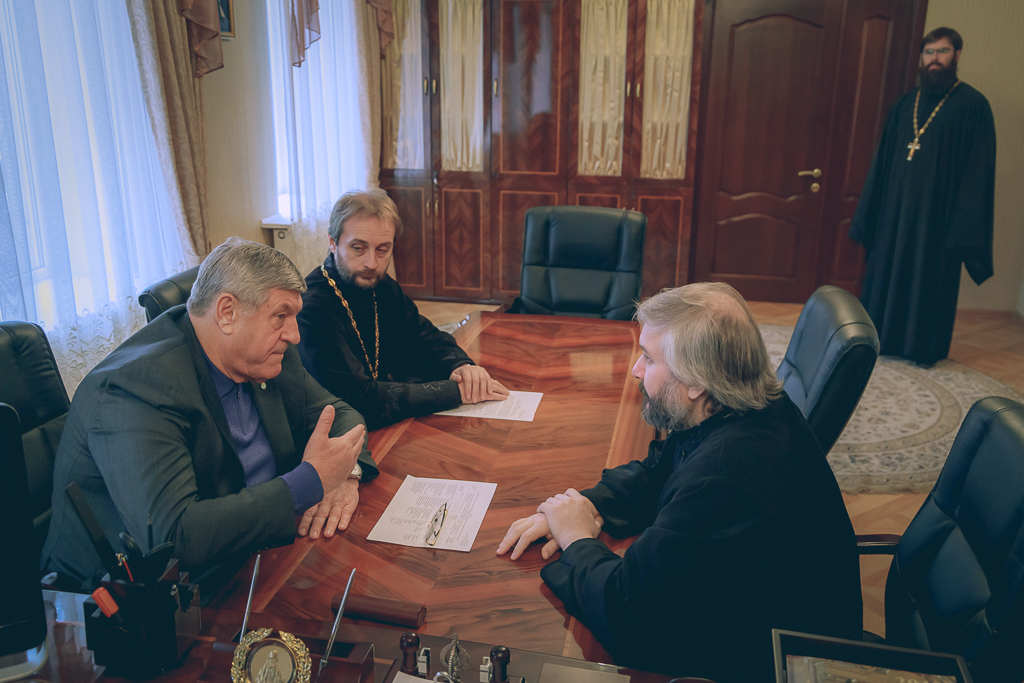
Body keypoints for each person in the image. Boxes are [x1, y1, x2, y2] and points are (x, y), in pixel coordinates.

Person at [496, 283, 862, 683]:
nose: (636, 370)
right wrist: (588, 505)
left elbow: (628, 615)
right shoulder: (741, 405)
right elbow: (661, 469)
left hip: (773, 663)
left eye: (649, 358)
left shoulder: (722, 480)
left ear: (696, 381)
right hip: (757, 609)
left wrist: (576, 538)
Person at [42, 238, 377, 584]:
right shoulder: (137, 388)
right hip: (134, 598)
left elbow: (341, 414)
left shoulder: (264, 354)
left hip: (255, 555)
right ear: (227, 313)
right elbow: (176, 537)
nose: (294, 335)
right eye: (280, 316)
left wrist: (345, 475)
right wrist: (311, 481)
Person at [297, 189, 508, 430]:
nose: (371, 263)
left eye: (382, 250)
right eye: (358, 248)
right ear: (333, 243)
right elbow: (357, 396)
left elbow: (423, 336)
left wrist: (462, 367)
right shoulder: (312, 307)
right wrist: (455, 392)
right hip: (338, 432)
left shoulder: (381, 285)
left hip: (389, 422)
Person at [850, 27, 995, 365]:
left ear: (957, 55)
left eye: (942, 51)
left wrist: (961, 229)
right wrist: (871, 215)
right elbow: (881, 163)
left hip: (938, 222)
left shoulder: (974, 106)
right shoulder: (905, 104)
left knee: (927, 282)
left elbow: (979, 171)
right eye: (929, 52)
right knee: (887, 275)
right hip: (894, 218)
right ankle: (881, 340)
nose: (934, 59)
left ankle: (922, 348)